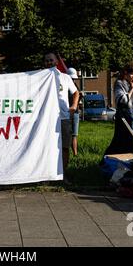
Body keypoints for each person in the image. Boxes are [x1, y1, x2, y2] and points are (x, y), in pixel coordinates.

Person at [44, 53, 79, 183]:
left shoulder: (65, 78)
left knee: (64, 147)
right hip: (46, 119)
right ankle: (48, 175)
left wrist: (73, 106)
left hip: (63, 118)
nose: (49, 62)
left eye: (51, 60)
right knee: (48, 147)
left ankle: (63, 175)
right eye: (46, 60)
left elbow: (76, 92)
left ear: (57, 61)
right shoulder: (40, 78)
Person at [105, 62, 133, 155]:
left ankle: (130, 160)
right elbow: (122, 100)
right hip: (123, 117)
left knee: (131, 140)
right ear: (125, 73)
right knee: (121, 141)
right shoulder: (119, 83)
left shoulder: (128, 83)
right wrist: (131, 89)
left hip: (130, 116)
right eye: (131, 74)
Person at [67, 67, 81, 156]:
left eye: (74, 78)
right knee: (68, 134)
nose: (73, 80)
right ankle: (68, 153)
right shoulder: (65, 86)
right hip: (67, 112)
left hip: (75, 112)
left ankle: (75, 154)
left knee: (74, 134)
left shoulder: (75, 86)